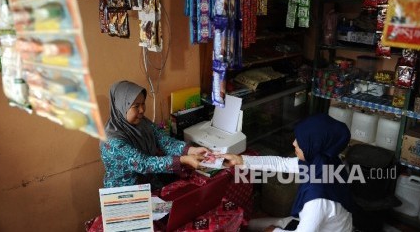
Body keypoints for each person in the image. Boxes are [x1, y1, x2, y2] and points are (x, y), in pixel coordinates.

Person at [221, 114, 353, 232]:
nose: (294, 143)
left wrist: (273, 231)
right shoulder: (325, 161)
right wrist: (240, 160)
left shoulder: (317, 200)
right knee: (250, 224)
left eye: (301, 142)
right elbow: (281, 163)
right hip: (322, 223)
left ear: (315, 146)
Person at [100, 80, 209, 189]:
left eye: (143, 103)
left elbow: (166, 142)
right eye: (136, 106)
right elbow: (143, 163)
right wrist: (183, 159)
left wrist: (191, 150)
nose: (142, 110)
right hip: (125, 194)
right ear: (121, 107)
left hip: (149, 183)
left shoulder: (143, 123)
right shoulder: (111, 141)